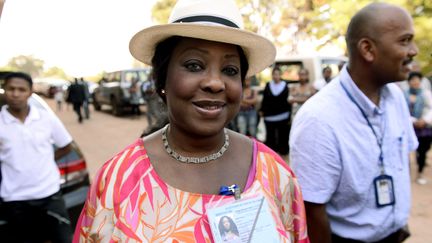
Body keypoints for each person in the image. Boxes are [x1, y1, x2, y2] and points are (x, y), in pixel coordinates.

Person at [74, 0, 308, 242]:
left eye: (230, 70)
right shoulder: (119, 179)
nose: (215, 83)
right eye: (194, 65)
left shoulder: (275, 172)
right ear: (162, 78)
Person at [290, 2, 418, 243]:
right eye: (404, 41)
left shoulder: (396, 98)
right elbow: (312, 208)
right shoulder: (319, 119)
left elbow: (401, 162)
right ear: (368, 49)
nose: (413, 51)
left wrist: (397, 219)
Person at [0, 72, 74, 242]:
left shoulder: (46, 118)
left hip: (50, 194)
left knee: (63, 239)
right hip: (16, 199)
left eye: (21, 89)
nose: (16, 94)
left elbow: (66, 146)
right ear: (5, 90)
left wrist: (46, 159)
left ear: (30, 93)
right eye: (11, 89)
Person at [404, 71, 432, 185]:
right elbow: (403, 111)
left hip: (424, 128)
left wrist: (424, 120)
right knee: (408, 151)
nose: (415, 82)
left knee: (423, 151)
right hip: (410, 127)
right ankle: (407, 174)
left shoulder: (426, 94)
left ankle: (419, 173)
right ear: (409, 81)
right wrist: (414, 121)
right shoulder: (404, 95)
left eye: (417, 80)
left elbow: (431, 108)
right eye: (413, 80)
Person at [260, 67, 291, 158]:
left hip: (283, 115)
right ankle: (271, 155)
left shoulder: (285, 85)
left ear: (280, 75)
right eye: (274, 74)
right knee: (270, 136)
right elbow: (265, 99)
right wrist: (262, 110)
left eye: (278, 74)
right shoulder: (268, 85)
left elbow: (287, 100)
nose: (276, 76)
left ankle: (283, 153)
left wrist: (289, 113)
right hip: (269, 116)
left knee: (283, 135)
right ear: (272, 75)